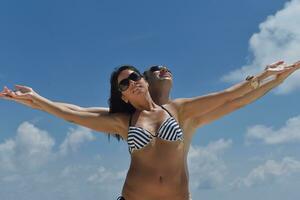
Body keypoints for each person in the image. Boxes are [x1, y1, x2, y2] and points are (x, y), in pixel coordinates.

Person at [1, 61, 300, 200]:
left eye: (133, 76)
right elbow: (73, 115)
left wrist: (267, 77)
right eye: (124, 84)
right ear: (123, 96)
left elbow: (229, 97)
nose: (131, 82)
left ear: (142, 81)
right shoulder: (123, 121)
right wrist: (38, 100)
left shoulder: (179, 110)